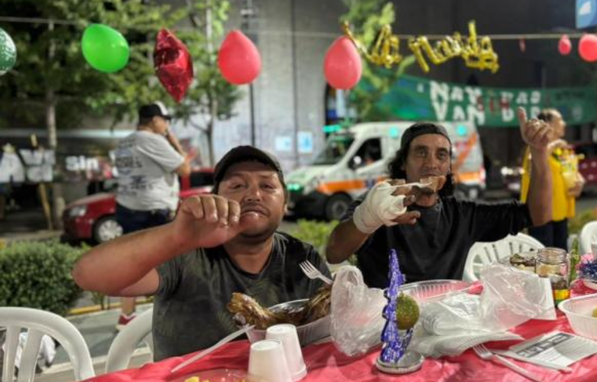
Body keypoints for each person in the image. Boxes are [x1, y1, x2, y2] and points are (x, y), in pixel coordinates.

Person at [73, 146, 330, 360]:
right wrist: (177, 236)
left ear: (285, 204)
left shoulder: (302, 257)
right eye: (238, 185)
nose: (253, 194)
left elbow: (327, 330)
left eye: (267, 186)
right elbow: (88, 275)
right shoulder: (185, 252)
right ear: (215, 198)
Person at [325, 108, 553, 288]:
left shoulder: (462, 216)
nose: (431, 163)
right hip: (387, 328)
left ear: (448, 167)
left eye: (441, 155)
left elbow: (538, 214)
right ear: (403, 163)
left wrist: (540, 153)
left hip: (445, 324)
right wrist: (368, 218)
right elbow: (334, 253)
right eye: (421, 152)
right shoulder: (379, 205)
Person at [113, 102, 192, 330]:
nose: (167, 125)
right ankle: (171, 312)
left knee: (132, 261)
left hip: (126, 206)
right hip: (153, 208)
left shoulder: (124, 142)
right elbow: (185, 168)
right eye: (165, 120)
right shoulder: (151, 140)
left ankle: (126, 315)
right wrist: (172, 138)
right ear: (155, 120)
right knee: (171, 262)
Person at [520, 108, 584, 250]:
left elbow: (571, 171)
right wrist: (554, 144)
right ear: (548, 124)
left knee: (561, 258)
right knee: (545, 262)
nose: (564, 123)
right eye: (560, 120)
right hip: (540, 215)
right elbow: (532, 165)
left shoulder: (561, 150)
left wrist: (580, 182)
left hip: (560, 213)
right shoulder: (535, 147)